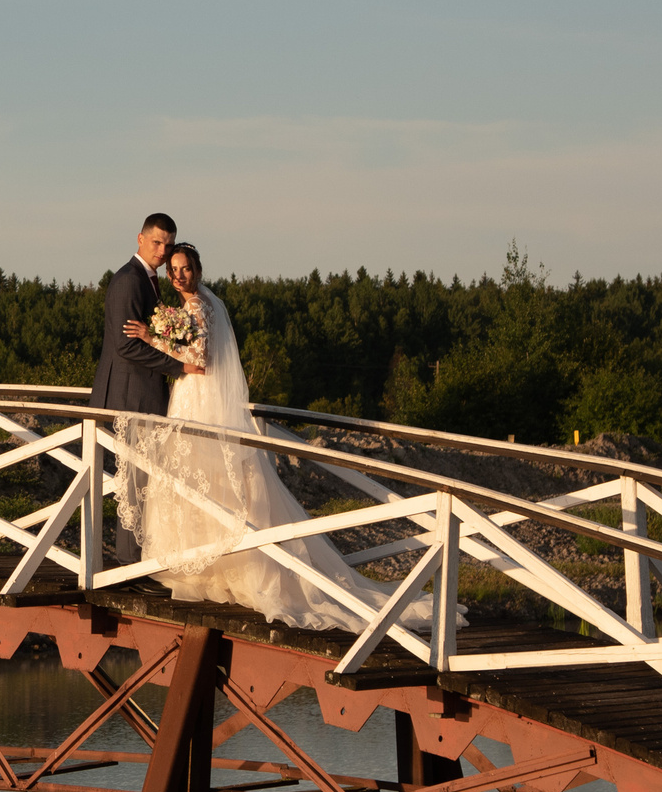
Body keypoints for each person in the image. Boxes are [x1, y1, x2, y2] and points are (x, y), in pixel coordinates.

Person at [119, 242, 438, 634]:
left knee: (204, 478)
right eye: (174, 270)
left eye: (186, 268)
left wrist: (151, 338)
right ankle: (212, 564)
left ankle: (222, 568)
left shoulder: (198, 306)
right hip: (192, 398)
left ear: (197, 270)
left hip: (197, 400)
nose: (179, 275)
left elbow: (199, 360)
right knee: (204, 480)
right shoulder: (200, 305)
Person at [88, 213, 187, 417]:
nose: (163, 251)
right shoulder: (130, 280)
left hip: (138, 396)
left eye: (169, 245)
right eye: (157, 242)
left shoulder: (146, 278)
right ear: (140, 239)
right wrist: (178, 366)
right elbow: (127, 344)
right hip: (126, 397)